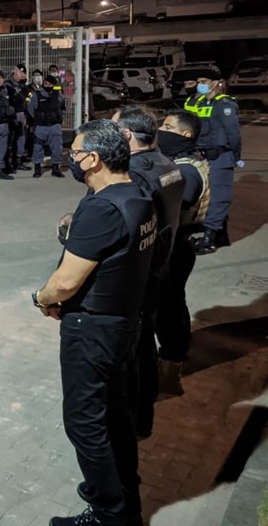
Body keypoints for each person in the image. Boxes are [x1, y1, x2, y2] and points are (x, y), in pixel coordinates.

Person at [31, 119, 156, 526]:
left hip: (92, 331)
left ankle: (108, 514)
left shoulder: (103, 208)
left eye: (76, 152)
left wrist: (42, 298)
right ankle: (126, 507)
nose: (71, 158)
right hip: (122, 324)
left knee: (84, 422)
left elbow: (65, 283)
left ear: (94, 159)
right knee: (116, 417)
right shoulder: (136, 194)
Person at [112, 106, 184, 440]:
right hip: (158, 268)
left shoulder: (134, 175)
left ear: (127, 135)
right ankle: (143, 416)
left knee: (133, 355)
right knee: (144, 346)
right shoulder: (167, 163)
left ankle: (135, 422)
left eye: (113, 130)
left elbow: (120, 231)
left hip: (136, 279)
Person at [155, 109, 209, 396]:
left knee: (169, 307)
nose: (161, 131)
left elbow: (180, 197)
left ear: (185, 135)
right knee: (170, 303)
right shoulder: (181, 161)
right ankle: (172, 355)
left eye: (168, 127)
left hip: (176, 247)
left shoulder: (187, 169)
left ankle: (171, 363)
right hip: (174, 244)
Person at [183, 76, 241, 254]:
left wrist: (235, 156)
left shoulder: (225, 104)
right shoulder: (201, 102)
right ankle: (220, 236)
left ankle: (209, 239)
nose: (200, 85)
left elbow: (233, 134)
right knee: (209, 197)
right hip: (204, 155)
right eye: (199, 82)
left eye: (204, 81)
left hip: (221, 156)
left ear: (215, 83)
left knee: (219, 198)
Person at [28, 73, 66, 178]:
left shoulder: (59, 95)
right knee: (37, 148)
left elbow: (62, 108)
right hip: (41, 126)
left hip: (54, 126)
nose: (47, 86)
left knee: (57, 148)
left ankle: (55, 168)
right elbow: (31, 109)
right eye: (45, 83)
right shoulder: (36, 95)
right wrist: (38, 118)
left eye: (50, 84)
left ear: (53, 85)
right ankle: (37, 169)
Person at [5, 65, 32, 172]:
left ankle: (18, 161)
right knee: (10, 139)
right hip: (12, 115)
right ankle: (7, 163)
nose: (22, 74)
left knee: (21, 138)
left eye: (24, 73)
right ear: (14, 72)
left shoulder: (24, 86)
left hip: (22, 114)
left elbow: (27, 98)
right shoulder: (8, 85)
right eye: (20, 72)